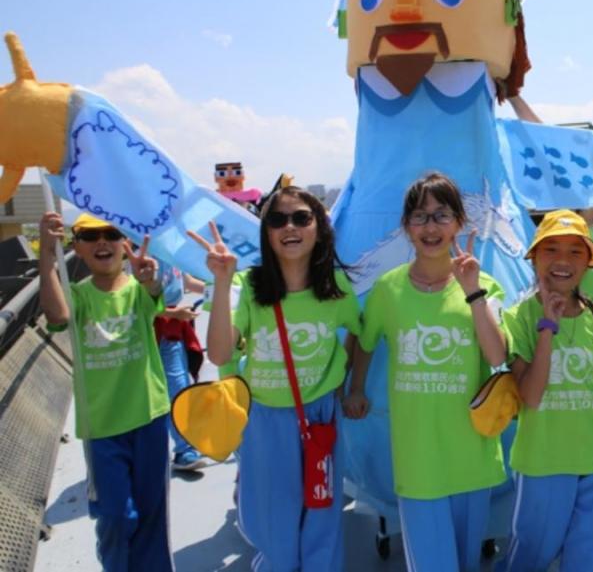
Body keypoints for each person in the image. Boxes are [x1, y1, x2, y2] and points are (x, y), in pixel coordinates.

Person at [190, 186, 361, 571]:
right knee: (272, 518)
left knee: (323, 511)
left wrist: (345, 378)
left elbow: (360, 333)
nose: (290, 226)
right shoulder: (250, 287)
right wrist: (221, 281)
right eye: (277, 219)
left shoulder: (336, 287)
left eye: (302, 217)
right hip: (265, 418)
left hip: (320, 414)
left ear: (319, 228)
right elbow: (219, 353)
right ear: (266, 232)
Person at [343, 172, 507, 572]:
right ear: (406, 226)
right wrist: (357, 389)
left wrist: (472, 293)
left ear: (459, 223)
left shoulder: (483, 285)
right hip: (418, 457)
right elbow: (365, 344)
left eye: (441, 215)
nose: (431, 226)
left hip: (473, 451)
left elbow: (497, 353)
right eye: (420, 216)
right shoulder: (388, 289)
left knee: (467, 560)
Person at [39, 212, 173, 572]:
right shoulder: (77, 295)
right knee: (114, 516)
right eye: (89, 235)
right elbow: (57, 317)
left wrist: (150, 279)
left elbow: (154, 293)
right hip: (102, 428)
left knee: (151, 514)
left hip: (149, 417)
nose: (102, 242)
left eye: (111, 233)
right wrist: (47, 259)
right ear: (77, 248)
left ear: (124, 243)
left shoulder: (137, 289)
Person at [500, 209, 593, 571]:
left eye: (575, 251)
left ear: (588, 263)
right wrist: (547, 325)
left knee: (589, 556)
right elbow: (530, 396)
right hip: (543, 460)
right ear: (534, 258)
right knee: (532, 552)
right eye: (551, 249)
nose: (563, 261)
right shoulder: (519, 317)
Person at [153, 261, 207, 470]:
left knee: (179, 385)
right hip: (146, 330)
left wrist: (224, 288)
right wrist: (173, 313)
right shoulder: (137, 252)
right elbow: (136, 303)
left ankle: (185, 448)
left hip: (172, 328)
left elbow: (188, 282)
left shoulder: (169, 250)